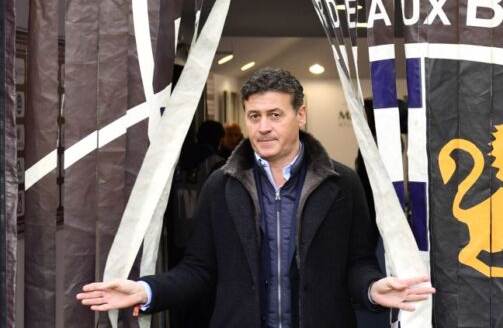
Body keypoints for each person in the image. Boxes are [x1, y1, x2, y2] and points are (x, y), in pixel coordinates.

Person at [76, 67, 434, 327]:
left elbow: (357, 264)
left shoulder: (342, 184)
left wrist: (373, 288)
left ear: (301, 115)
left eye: (275, 115)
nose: (263, 127)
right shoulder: (221, 185)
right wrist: (147, 290)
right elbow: (199, 270)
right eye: (255, 116)